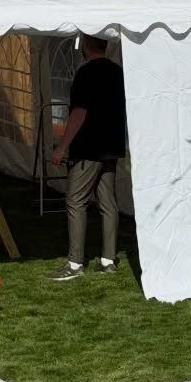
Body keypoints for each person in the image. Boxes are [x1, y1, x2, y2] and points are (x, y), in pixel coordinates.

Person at [49, 34, 126, 282]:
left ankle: (74, 263)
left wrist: (62, 147)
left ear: (85, 46)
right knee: (107, 202)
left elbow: (79, 114)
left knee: (75, 201)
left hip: (89, 148)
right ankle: (108, 260)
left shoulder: (85, 73)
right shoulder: (118, 72)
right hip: (111, 146)